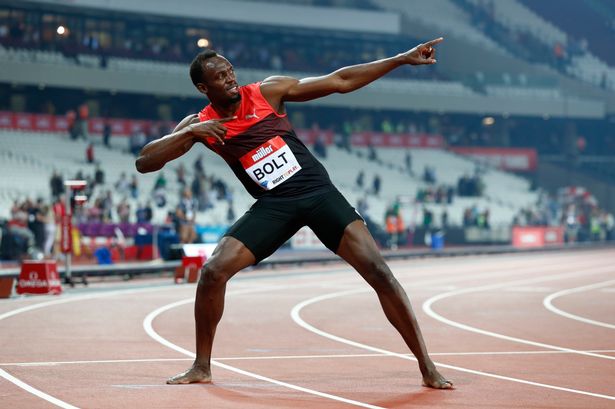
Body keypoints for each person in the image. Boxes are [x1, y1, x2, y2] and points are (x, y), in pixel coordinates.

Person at [136, 38, 452, 389]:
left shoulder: (267, 92)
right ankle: (201, 366)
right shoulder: (201, 124)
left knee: (378, 271)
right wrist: (193, 132)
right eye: (221, 77)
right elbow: (145, 162)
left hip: (318, 195)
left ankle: (427, 365)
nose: (230, 80)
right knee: (212, 272)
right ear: (202, 87)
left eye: (231, 73)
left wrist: (401, 59)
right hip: (275, 207)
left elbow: (340, 81)